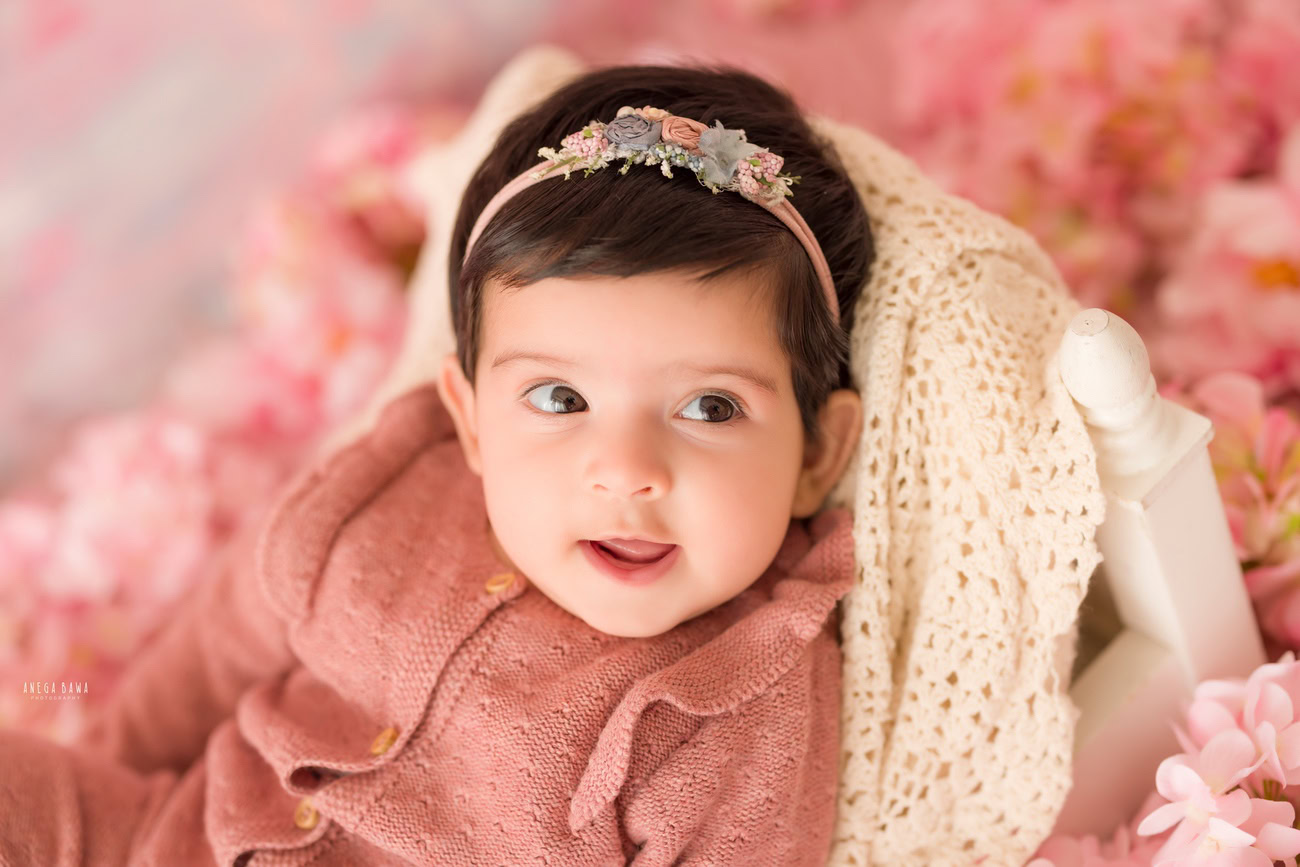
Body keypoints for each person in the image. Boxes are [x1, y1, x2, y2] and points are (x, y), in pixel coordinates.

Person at [0, 60, 875, 866]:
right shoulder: (384, 489)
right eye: (559, 399)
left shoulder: (737, 703)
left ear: (815, 454)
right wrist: (114, 759)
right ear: (471, 420)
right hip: (163, 835)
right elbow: (220, 643)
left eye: (710, 408)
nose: (623, 470)